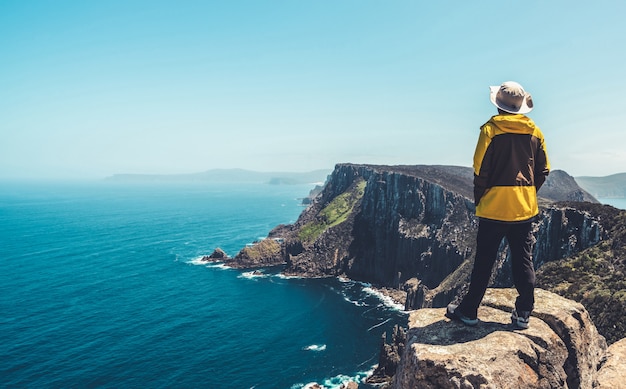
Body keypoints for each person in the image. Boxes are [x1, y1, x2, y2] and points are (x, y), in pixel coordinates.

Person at [446, 81, 550, 329]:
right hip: (524, 209)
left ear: (499, 105)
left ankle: (469, 310)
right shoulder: (535, 132)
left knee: (484, 260)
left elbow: (480, 170)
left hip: (493, 208)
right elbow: (543, 170)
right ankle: (524, 313)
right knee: (523, 260)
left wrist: (480, 198)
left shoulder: (490, 130)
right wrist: (527, 194)